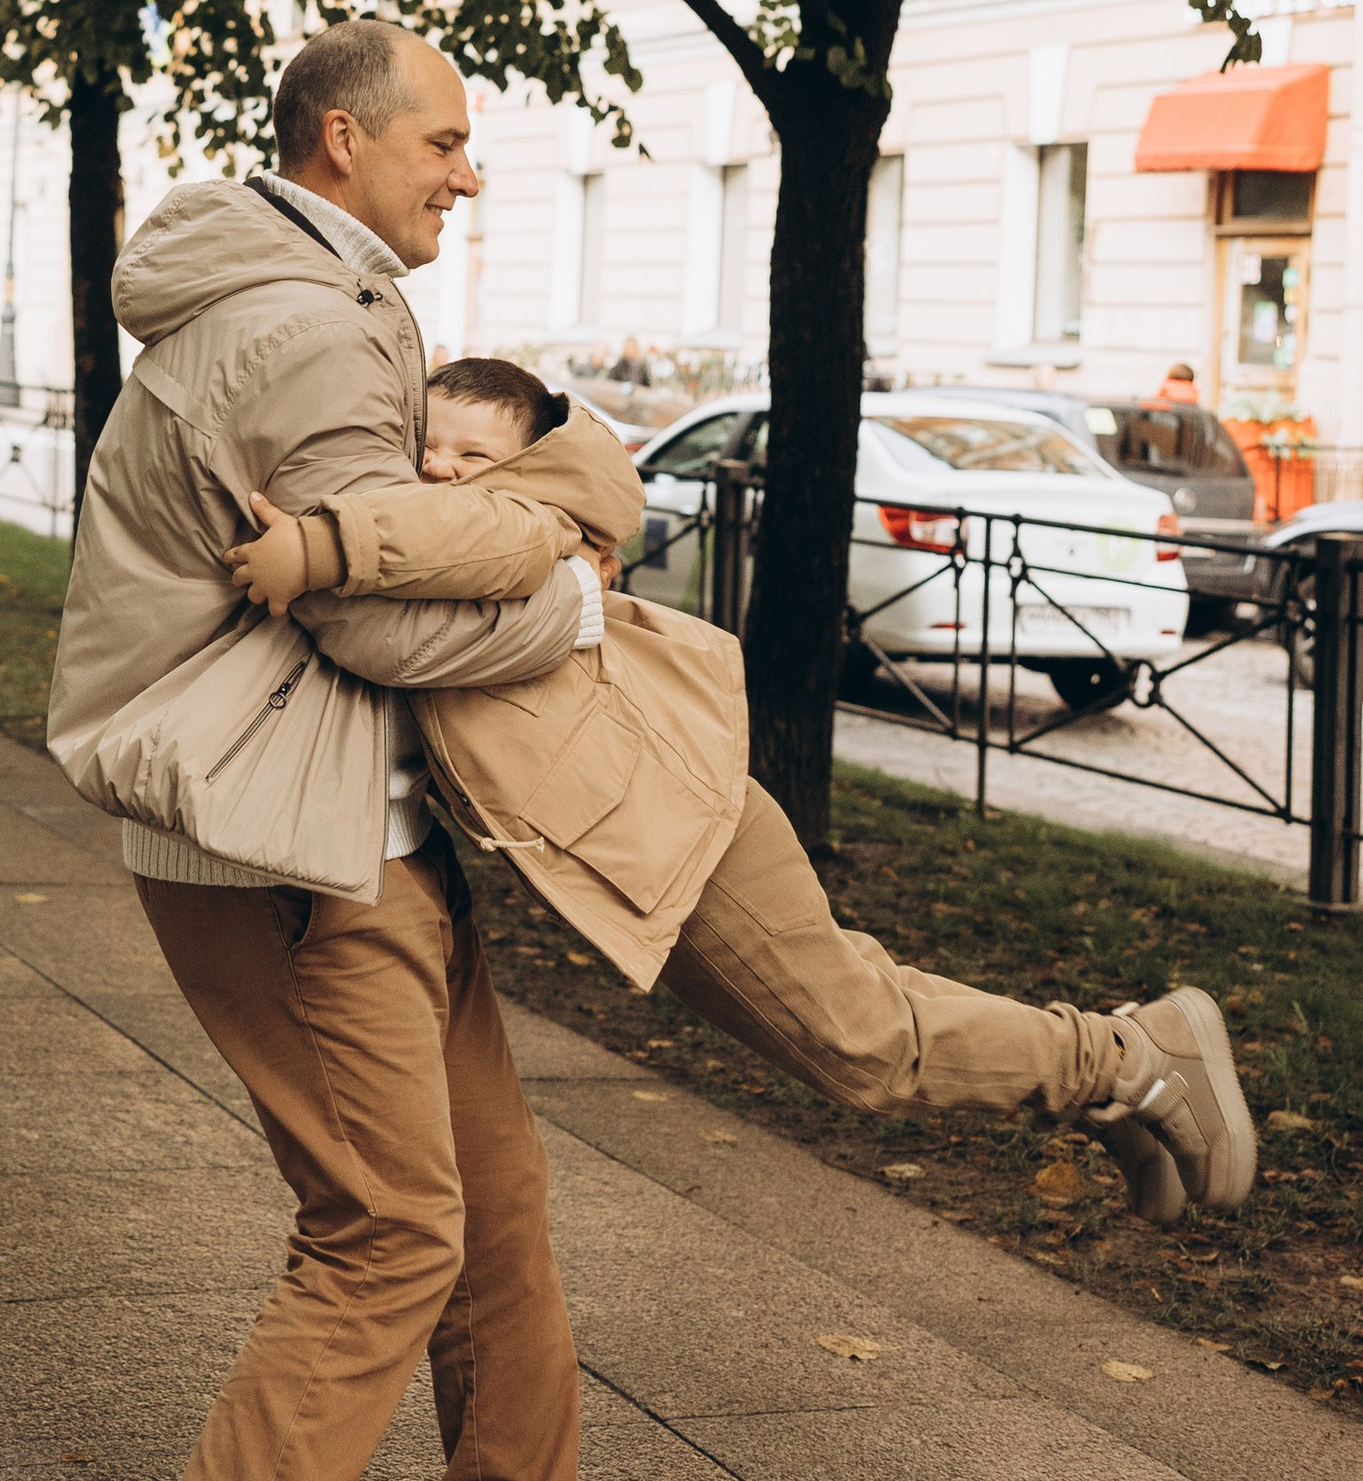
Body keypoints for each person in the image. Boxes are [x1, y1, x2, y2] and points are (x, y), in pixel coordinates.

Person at [47, 21, 614, 1481]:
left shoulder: (324, 288)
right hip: (286, 838)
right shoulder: (301, 324)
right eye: (443, 138)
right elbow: (374, 610)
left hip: (359, 820)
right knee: (388, 1232)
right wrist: (576, 595)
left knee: (494, 1208)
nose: (468, 169)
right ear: (344, 137)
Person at [232, 355, 1259, 1232]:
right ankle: (1115, 1075)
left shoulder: (516, 524)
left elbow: (458, 543)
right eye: (428, 447)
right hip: (650, 834)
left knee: (861, 1046)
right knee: (871, 1003)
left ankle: (1126, 1059)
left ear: (528, 469)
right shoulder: (500, 528)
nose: (437, 470)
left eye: (470, 453)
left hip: (677, 829)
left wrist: (322, 548)